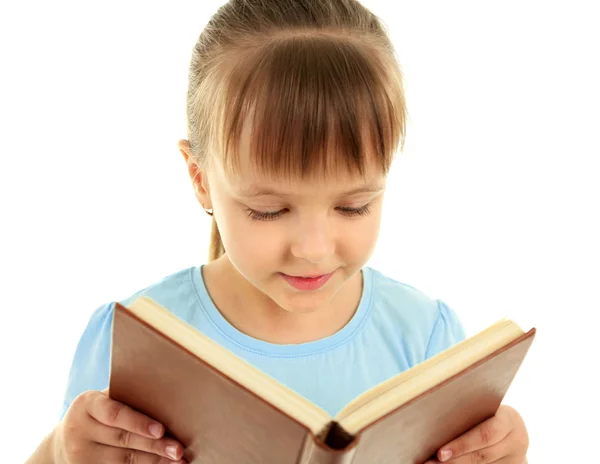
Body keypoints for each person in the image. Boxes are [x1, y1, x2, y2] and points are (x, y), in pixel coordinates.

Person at [26, 1, 529, 463]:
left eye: (354, 206)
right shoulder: (135, 338)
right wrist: (59, 453)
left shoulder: (426, 339)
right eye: (268, 211)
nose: (313, 249)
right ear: (201, 180)